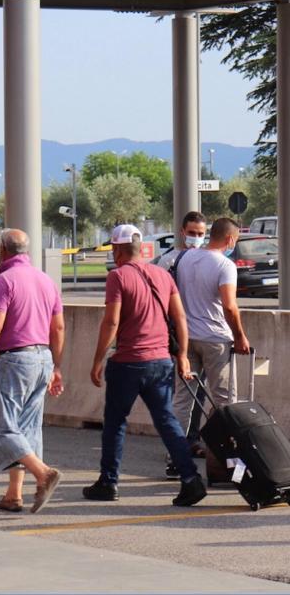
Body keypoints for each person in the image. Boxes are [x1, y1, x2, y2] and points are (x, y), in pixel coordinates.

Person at [84, 224, 207, 507]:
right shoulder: (163, 275)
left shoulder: (117, 277)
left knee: (115, 423)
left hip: (128, 362)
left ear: (117, 249)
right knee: (166, 421)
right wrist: (183, 354)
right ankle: (190, 478)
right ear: (141, 249)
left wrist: (98, 359)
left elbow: (112, 321)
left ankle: (108, 482)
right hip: (161, 361)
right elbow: (180, 318)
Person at [0, 228, 65, 514]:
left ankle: (43, 473)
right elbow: (58, 327)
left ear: (2, 250)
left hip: (14, 360)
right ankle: (14, 494)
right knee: (27, 429)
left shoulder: (4, 281)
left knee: (0, 427)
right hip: (43, 357)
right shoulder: (46, 280)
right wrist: (56, 366)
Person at [167, 217, 250, 477]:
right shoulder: (225, 265)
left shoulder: (184, 259)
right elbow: (229, 306)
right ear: (229, 239)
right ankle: (227, 460)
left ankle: (175, 459)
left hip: (186, 338)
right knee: (224, 401)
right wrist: (240, 336)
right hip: (215, 340)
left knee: (182, 400)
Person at [157, 211, 208, 461]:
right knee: (179, 393)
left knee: (198, 389)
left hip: (201, 334)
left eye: (201, 234)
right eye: (192, 233)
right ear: (182, 232)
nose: (196, 238)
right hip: (176, 334)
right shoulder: (169, 262)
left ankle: (192, 439)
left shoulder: (209, 260)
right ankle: (175, 443)